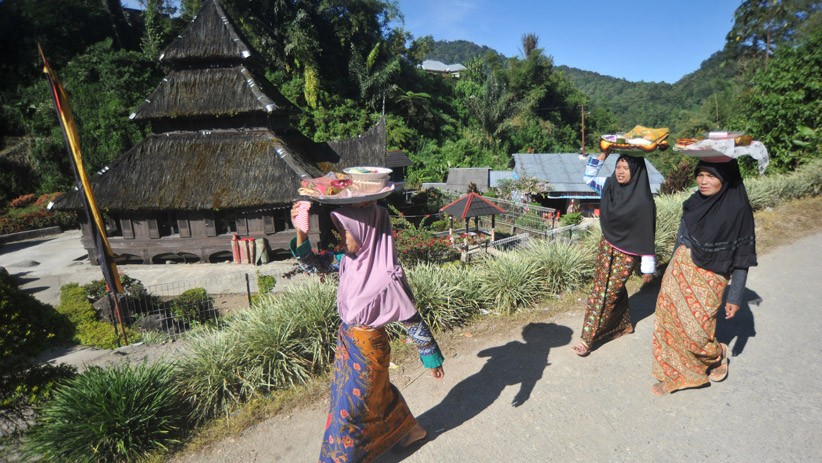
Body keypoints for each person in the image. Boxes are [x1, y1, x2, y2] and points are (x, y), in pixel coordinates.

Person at [291, 201, 445, 462]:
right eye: (341, 231)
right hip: (348, 345)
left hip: (369, 352)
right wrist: (301, 232)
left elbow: (412, 319)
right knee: (377, 397)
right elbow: (311, 265)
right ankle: (413, 431)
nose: (342, 237)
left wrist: (431, 358)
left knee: (347, 411)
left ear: (367, 231)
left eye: (346, 231)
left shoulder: (388, 277)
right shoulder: (347, 261)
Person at [651, 159, 757, 396]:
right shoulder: (694, 203)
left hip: (712, 276)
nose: (703, 181)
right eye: (700, 174)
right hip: (680, 267)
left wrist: (736, 296)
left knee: (697, 331)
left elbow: (742, 258)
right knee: (668, 322)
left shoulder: (737, 210)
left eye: (711, 176)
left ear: (725, 178)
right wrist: (669, 269)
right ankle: (676, 374)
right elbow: (681, 238)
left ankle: (717, 355)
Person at [570, 150, 657, 356]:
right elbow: (588, 178)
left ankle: (587, 339)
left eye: (626, 168)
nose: (620, 172)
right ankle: (623, 324)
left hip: (628, 253)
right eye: (618, 166)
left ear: (635, 171)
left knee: (607, 293)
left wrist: (648, 267)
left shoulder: (643, 201)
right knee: (603, 288)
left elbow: (647, 231)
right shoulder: (608, 186)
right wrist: (604, 154)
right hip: (606, 244)